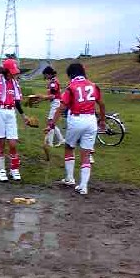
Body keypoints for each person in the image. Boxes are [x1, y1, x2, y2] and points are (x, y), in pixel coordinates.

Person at [48, 62, 105, 195]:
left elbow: (61, 107)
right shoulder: (93, 85)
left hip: (76, 119)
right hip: (91, 120)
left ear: (71, 75)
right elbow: (101, 104)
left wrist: (51, 124)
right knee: (86, 154)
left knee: (69, 147)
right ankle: (83, 186)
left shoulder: (71, 87)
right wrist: (102, 120)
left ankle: (69, 178)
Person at [0, 58, 29, 182]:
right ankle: (2, 170)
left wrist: (23, 115)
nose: (14, 74)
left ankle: (14, 168)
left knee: (13, 143)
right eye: (12, 71)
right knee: (1, 142)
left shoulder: (15, 84)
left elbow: (17, 101)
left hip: (10, 112)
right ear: (6, 71)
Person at [36, 65, 65, 160]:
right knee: (51, 122)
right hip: (55, 103)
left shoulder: (53, 83)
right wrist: (42, 99)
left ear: (48, 74)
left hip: (56, 103)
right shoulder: (53, 81)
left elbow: (52, 96)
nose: (45, 77)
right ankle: (60, 139)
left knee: (50, 122)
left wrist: (42, 97)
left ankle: (51, 143)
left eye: (45, 75)